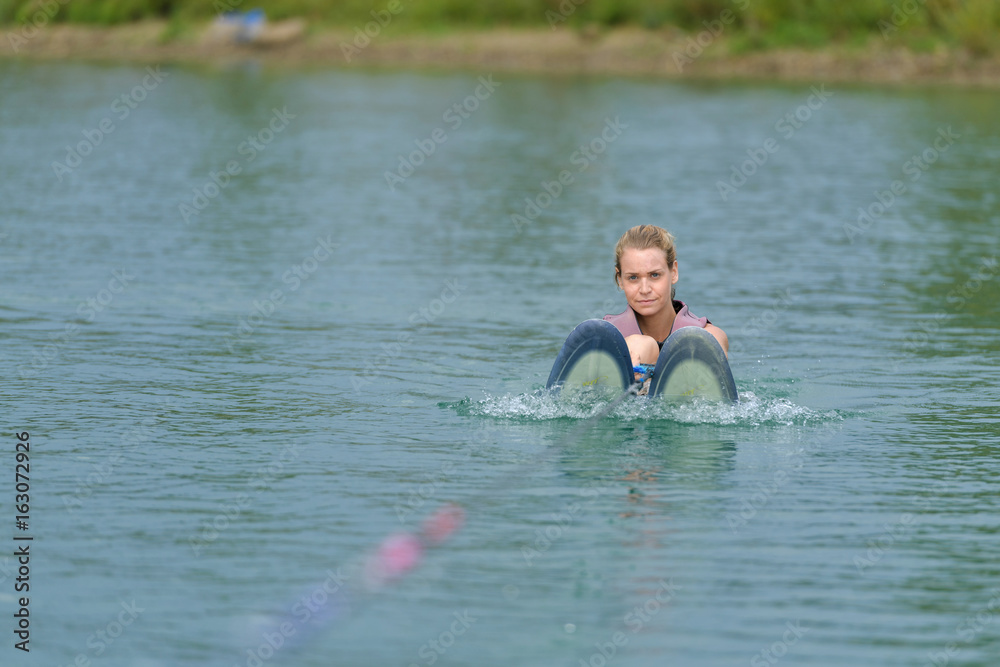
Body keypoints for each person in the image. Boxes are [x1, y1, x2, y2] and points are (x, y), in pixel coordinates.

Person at [604, 225, 728, 377]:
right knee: (642, 345)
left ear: (674, 272)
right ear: (620, 279)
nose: (644, 289)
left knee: (706, 340)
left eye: (655, 275)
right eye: (633, 278)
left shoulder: (709, 334)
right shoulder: (604, 338)